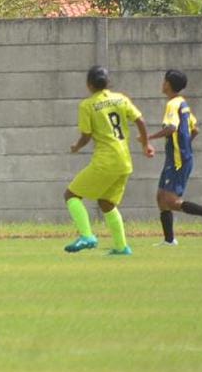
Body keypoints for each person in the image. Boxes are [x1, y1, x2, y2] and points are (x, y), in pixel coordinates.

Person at [64, 65, 155, 256]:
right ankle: (121, 247)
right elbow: (140, 120)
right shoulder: (120, 99)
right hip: (124, 162)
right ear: (108, 82)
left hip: (106, 161)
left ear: (89, 84)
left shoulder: (87, 105)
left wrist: (76, 147)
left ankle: (87, 236)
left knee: (71, 195)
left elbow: (86, 135)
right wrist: (145, 144)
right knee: (106, 203)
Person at [148, 69, 202, 246]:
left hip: (178, 159)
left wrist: (149, 138)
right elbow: (195, 129)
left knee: (171, 201)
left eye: (164, 80)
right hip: (178, 157)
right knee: (161, 197)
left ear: (168, 84)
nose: (162, 83)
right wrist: (184, 145)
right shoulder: (183, 103)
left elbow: (172, 128)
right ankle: (169, 240)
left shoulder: (173, 104)